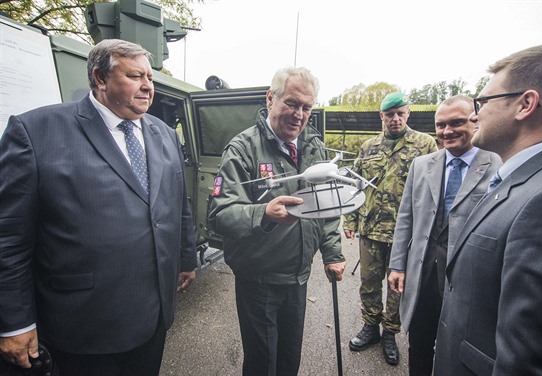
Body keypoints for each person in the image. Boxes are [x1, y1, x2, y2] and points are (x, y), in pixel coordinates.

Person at [0, 39, 197, 376]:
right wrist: (15, 323)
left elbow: (179, 205)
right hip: (81, 325)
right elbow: (9, 237)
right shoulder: (35, 131)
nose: (148, 86)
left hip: (152, 318)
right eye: (135, 76)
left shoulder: (164, 134)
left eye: (150, 77)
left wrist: (187, 259)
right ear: (100, 78)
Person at [208, 66, 346, 376]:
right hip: (258, 279)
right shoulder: (242, 149)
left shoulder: (314, 146)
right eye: (292, 103)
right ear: (270, 98)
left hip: (297, 277)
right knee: (262, 363)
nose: (299, 114)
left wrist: (333, 253)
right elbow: (219, 213)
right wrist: (263, 214)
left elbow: (326, 205)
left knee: (288, 359)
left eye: (306, 107)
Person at [434, 44, 542, 375]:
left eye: (483, 102)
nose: (476, 114)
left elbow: (530, 359)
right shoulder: (528, 179)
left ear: (526, 104)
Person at [387, 95, 501, 375]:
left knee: (458, 349)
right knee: (420, 343)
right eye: (441, 125)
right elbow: (406, 218)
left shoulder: (497, 164)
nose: (447, 131)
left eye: (457, 122)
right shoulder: (422, 165)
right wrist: (398, 265)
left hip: (467, 278)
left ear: (475, 121)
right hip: (423, 272)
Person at [343, 92, 437, 366]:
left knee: (397, 287)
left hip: (404, 235)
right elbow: (355, 186)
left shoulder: (425, 144)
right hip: (371, 229)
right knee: (369, 284)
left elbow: (433, 189)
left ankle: (390, 334)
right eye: (389, 114)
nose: (395, 119)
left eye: (400, 113)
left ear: (408, 114)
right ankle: (371, 327)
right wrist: (350, 221)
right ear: (381, 116)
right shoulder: (368, 147)